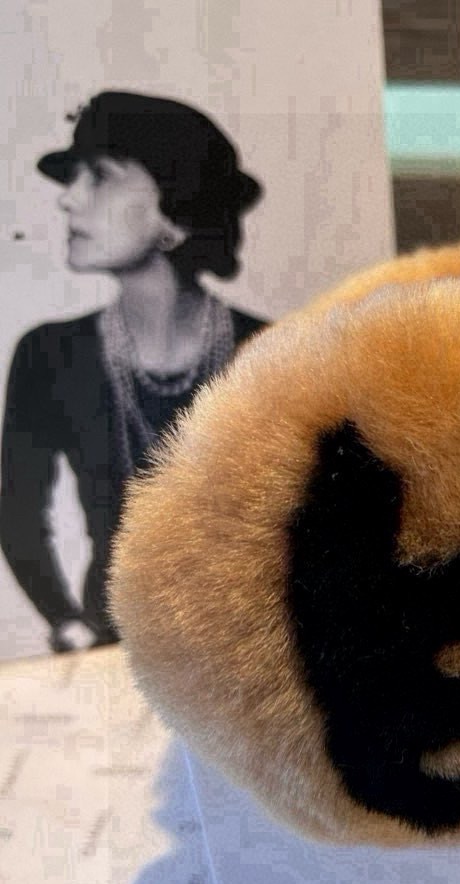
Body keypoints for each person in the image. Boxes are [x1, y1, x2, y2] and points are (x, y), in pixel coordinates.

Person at [1, 90, 267, 652]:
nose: (68, 199)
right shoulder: (50, 355)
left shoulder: (269, 352)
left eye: (100, 176)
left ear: (175, 209)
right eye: (73, 178)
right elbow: (17, 510)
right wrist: (65, 622)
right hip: (110, 650)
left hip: (248, 657)